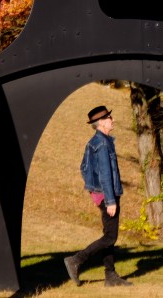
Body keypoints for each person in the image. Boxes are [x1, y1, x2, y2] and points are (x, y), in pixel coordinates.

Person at [64, 105, 132, 287]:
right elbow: (104, 174)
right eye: (110, 117)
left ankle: (110, 276)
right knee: (110, 237)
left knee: (109, 235)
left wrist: (93, 190)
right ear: (101, 122)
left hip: (102, 194)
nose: (113, 120)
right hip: (107, 196)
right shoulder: (102, 143)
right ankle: (75, 260)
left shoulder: (97, 141)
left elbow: (84, 168)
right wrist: (109, 200)